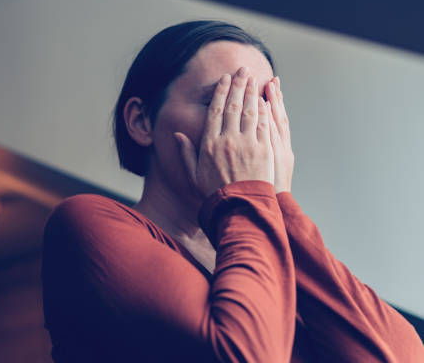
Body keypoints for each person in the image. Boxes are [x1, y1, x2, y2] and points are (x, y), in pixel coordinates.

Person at [41, 20, 423, 362]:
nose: (246, 124)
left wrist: (280, 204)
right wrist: (246, 192)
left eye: (261, 106)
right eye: (220, 101)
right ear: (141, 121)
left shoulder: (271, 251)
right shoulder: (88, 221)